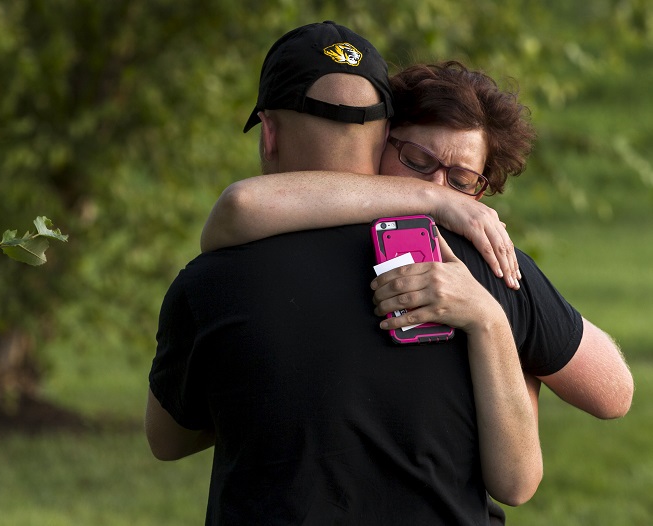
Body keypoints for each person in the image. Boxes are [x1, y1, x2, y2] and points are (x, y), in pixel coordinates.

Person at [146, 22, 541, 525]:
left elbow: (167, 440)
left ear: (268, 134)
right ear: (383, 138)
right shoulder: (477, 266)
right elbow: (610, 394)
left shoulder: (207, 283)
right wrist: (512, 350)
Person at [200, 61, 634, 423]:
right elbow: (243, 203)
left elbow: (613, 393)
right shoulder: (283, 227)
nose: (439, 189)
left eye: (461, 181)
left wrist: (507, 347)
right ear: (380, 141)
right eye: (417, 161)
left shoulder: (490, 267)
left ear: (480, 195)